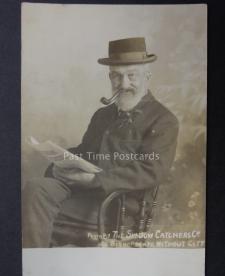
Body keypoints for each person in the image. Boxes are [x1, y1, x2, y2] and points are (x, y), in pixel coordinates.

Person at [22, 37, 179, 248]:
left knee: (30, 212)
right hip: (82, 196)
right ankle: (34, 269)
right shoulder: (102, 115)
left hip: (118, 206)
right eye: (116, 76)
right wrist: (58, 164)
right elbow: (86, 152)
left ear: (147, 76)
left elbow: (152, 170)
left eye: (131, 76)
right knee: (36, 189)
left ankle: (33, 267)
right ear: (110, 77)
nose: (123, 84)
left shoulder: (163, 119)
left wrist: (94, 180)